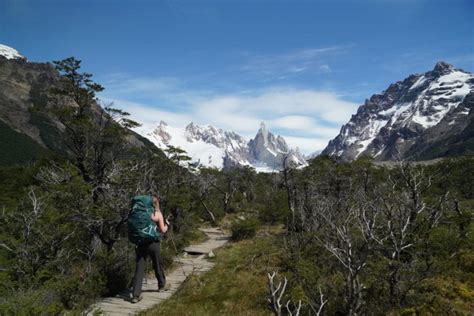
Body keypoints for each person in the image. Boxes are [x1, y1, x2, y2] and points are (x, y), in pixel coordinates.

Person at [131, 195, 170, 303]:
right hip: (153, 243)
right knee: (157, 264)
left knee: (139, 268)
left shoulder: (137, 213)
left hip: (140, 243)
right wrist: (167, 225)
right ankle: (161, 285)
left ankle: (135, 295)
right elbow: (162, 230)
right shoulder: (156, 214)